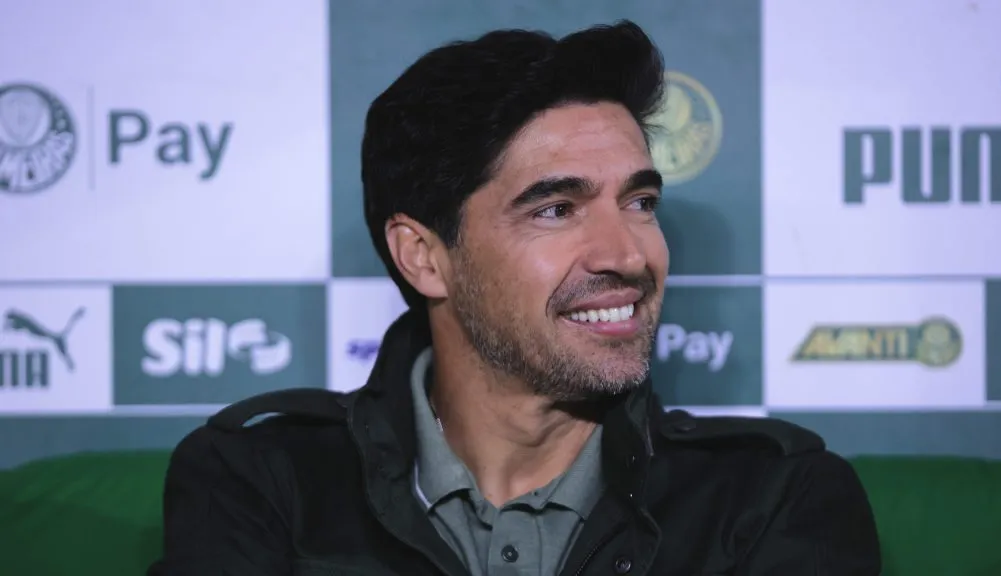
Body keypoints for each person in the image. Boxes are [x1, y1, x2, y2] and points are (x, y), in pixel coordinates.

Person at [148, 20, 881, 576]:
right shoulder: (262, 482)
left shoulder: (773, 499)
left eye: (640, 202)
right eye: (557, 210)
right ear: (424, 257)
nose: (628, 254)